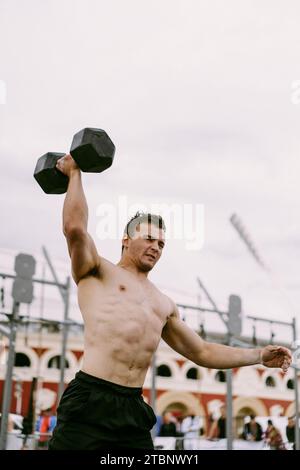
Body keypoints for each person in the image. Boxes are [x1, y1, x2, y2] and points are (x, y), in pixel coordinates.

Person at [48, 153, 292, 450]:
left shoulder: (162, 304)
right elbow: (75, 228)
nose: (156, 247)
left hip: (132, 408)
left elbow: (202, 351)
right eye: (149, 238)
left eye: (161, 243)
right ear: (126, 239)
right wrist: (74, 173)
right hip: (90, 400)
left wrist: (258, 356)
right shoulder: (97, 271)